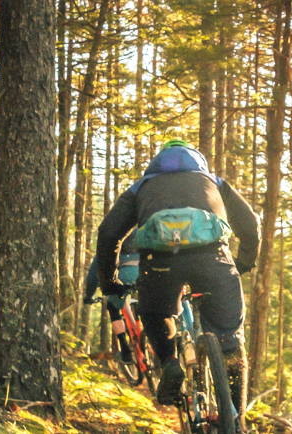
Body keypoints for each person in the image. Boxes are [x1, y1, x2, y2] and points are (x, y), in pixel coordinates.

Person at [95, 139, 260, 417]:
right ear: (199, 163)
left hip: (160, 263)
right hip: (213, 260)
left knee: (156, 313)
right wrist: (244, 262)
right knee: (231, 340)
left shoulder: (142, 187)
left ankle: (170, 362)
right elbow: (251, 223)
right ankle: (237, 417)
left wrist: (109, 281)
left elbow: (108, 233)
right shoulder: (213, 182)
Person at [82, 231, 140, 365]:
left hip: (124, 276)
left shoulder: (109, 240)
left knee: (113, 307)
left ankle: (125, 349)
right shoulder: (141, 232)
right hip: (145, 273)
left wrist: (89, 296)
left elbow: (92, 276)